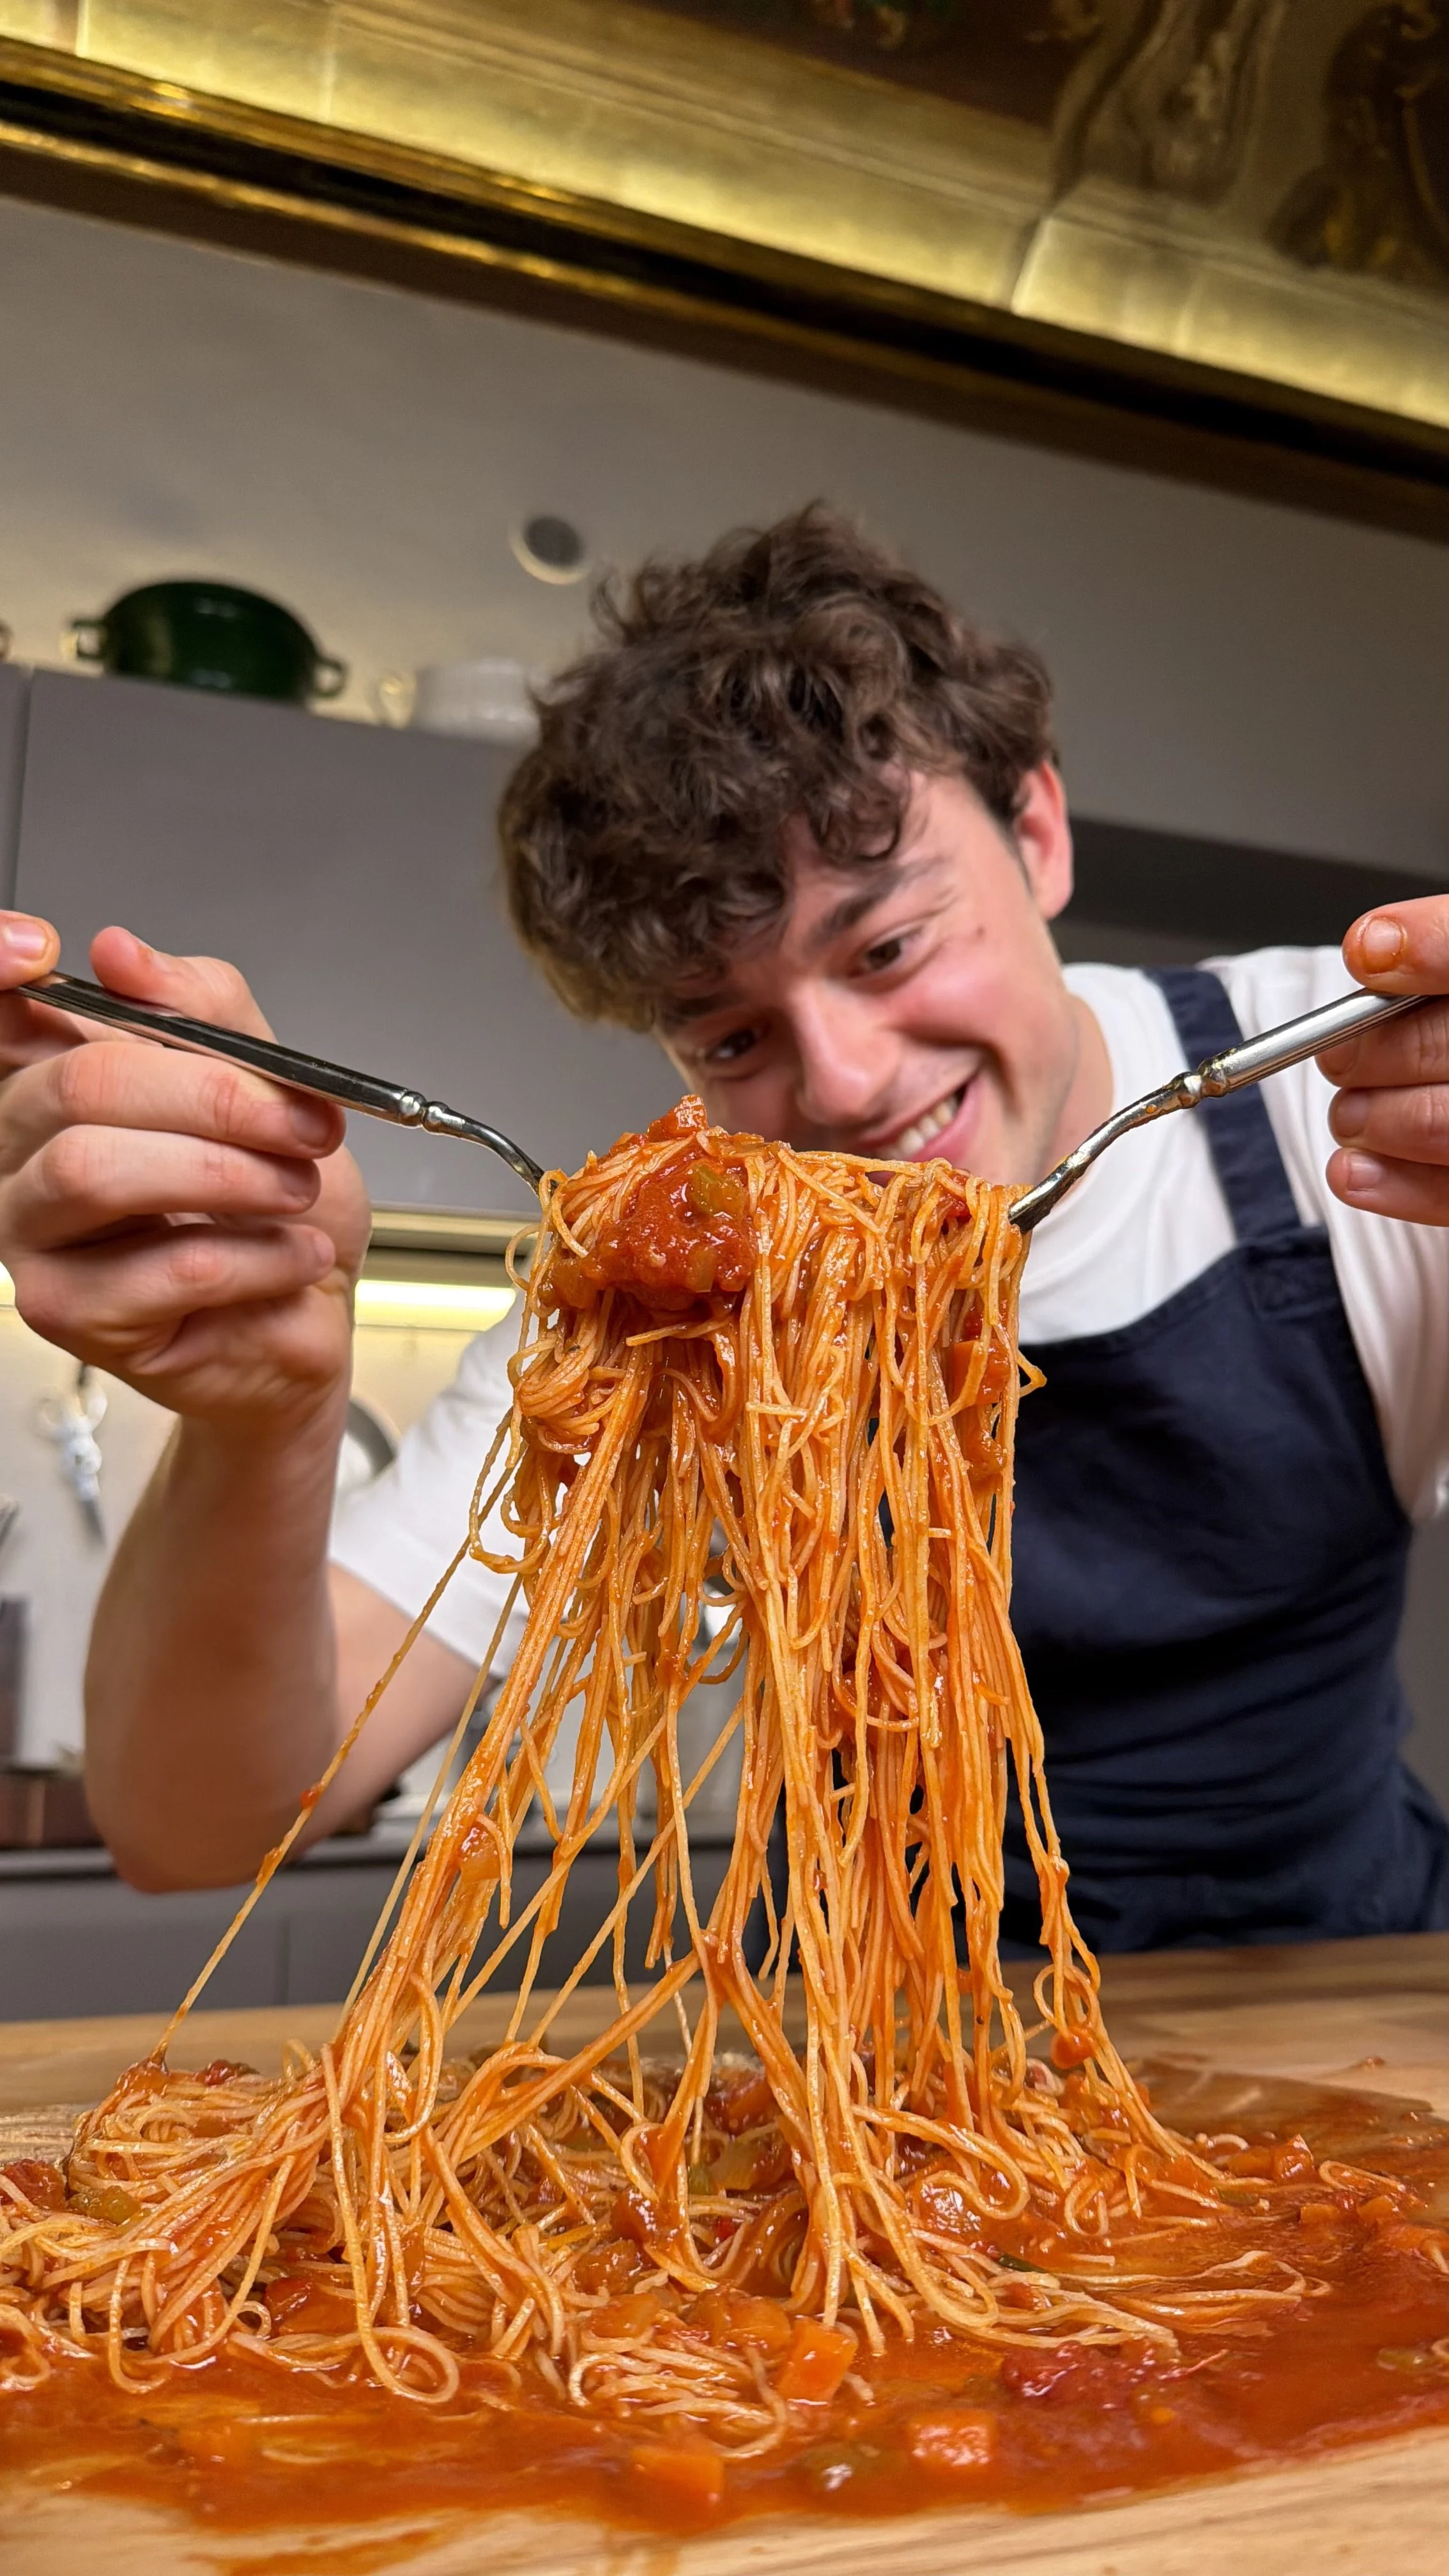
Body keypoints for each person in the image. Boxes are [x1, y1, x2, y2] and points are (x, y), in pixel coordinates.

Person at [3, 507, 1449, 1950]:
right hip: (861, 2081)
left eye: (886, 947)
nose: (845, 1084)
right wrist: (263, 1421)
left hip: (1350, 2019)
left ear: (1039, 833)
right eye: (732, 1037)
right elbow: (199, 1827)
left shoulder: (1342, 1086)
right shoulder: (657, 1302)